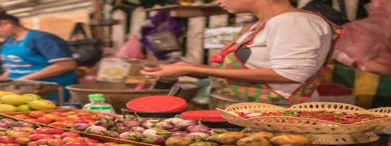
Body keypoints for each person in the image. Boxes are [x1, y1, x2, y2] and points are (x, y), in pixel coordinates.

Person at [140, 0, 341, 108]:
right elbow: (246, 68)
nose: (218, 1)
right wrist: (187, 70)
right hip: (244, 109)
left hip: (277, 113)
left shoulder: (292, 22)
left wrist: (191, 67)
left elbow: (290, 74)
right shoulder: (257, 25)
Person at [0, 10, 78, 101]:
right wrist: (0, 79)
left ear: (6, 23)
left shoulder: (42, 38)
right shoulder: (9, 41)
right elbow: (14, 65)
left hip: (48, 91)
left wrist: (22, 80)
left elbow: (66, 65)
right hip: (22, 91)